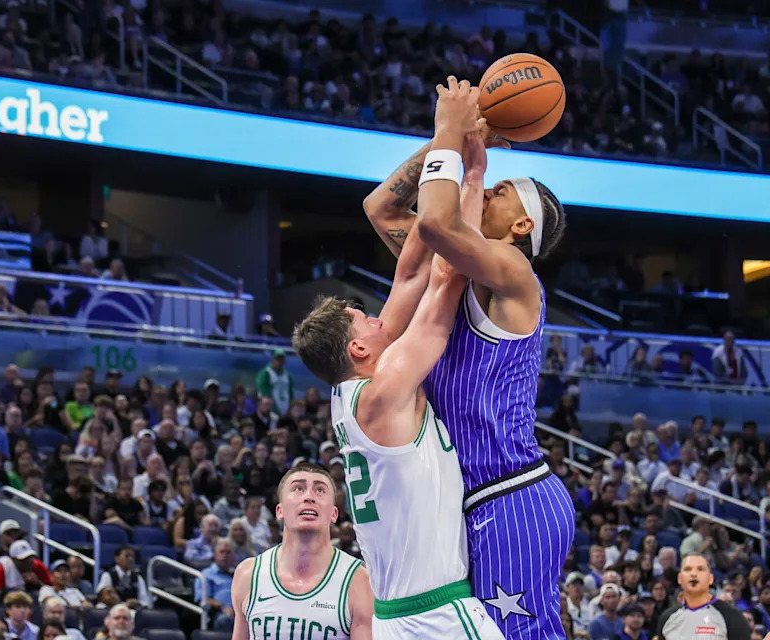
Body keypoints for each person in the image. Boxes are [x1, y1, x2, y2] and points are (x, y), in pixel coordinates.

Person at [364, 75, 570, 637]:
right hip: (467, 504)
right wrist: (446, 144)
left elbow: (435, 219)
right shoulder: (450, 271)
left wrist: (451, 130)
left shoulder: (515, 274)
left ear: (522, 226)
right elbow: (382, 208)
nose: (489, 191)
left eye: (501, 193)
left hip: (511, 497)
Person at [291, 124, 502, 638]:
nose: (377, 317)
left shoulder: (359, 392)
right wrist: (469, 167)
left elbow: (410, 275)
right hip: (437, 615)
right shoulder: (383, 393)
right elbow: (448, 276)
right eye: (363, 317)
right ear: (358, 348)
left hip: (394, 617)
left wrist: (453, 140)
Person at [229, 465, 373, 640]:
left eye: (320, 490)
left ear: (334, 514)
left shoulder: (359, 581)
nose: (309, 496)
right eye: (298, 488)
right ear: (279, 511)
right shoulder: (248, 574)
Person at [657, 554, 750, 640]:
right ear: (680, 578)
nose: (693, 574)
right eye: (688, 569)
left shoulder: (731, 616)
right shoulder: (667, 618)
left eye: (700, 569)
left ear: (710, 579)